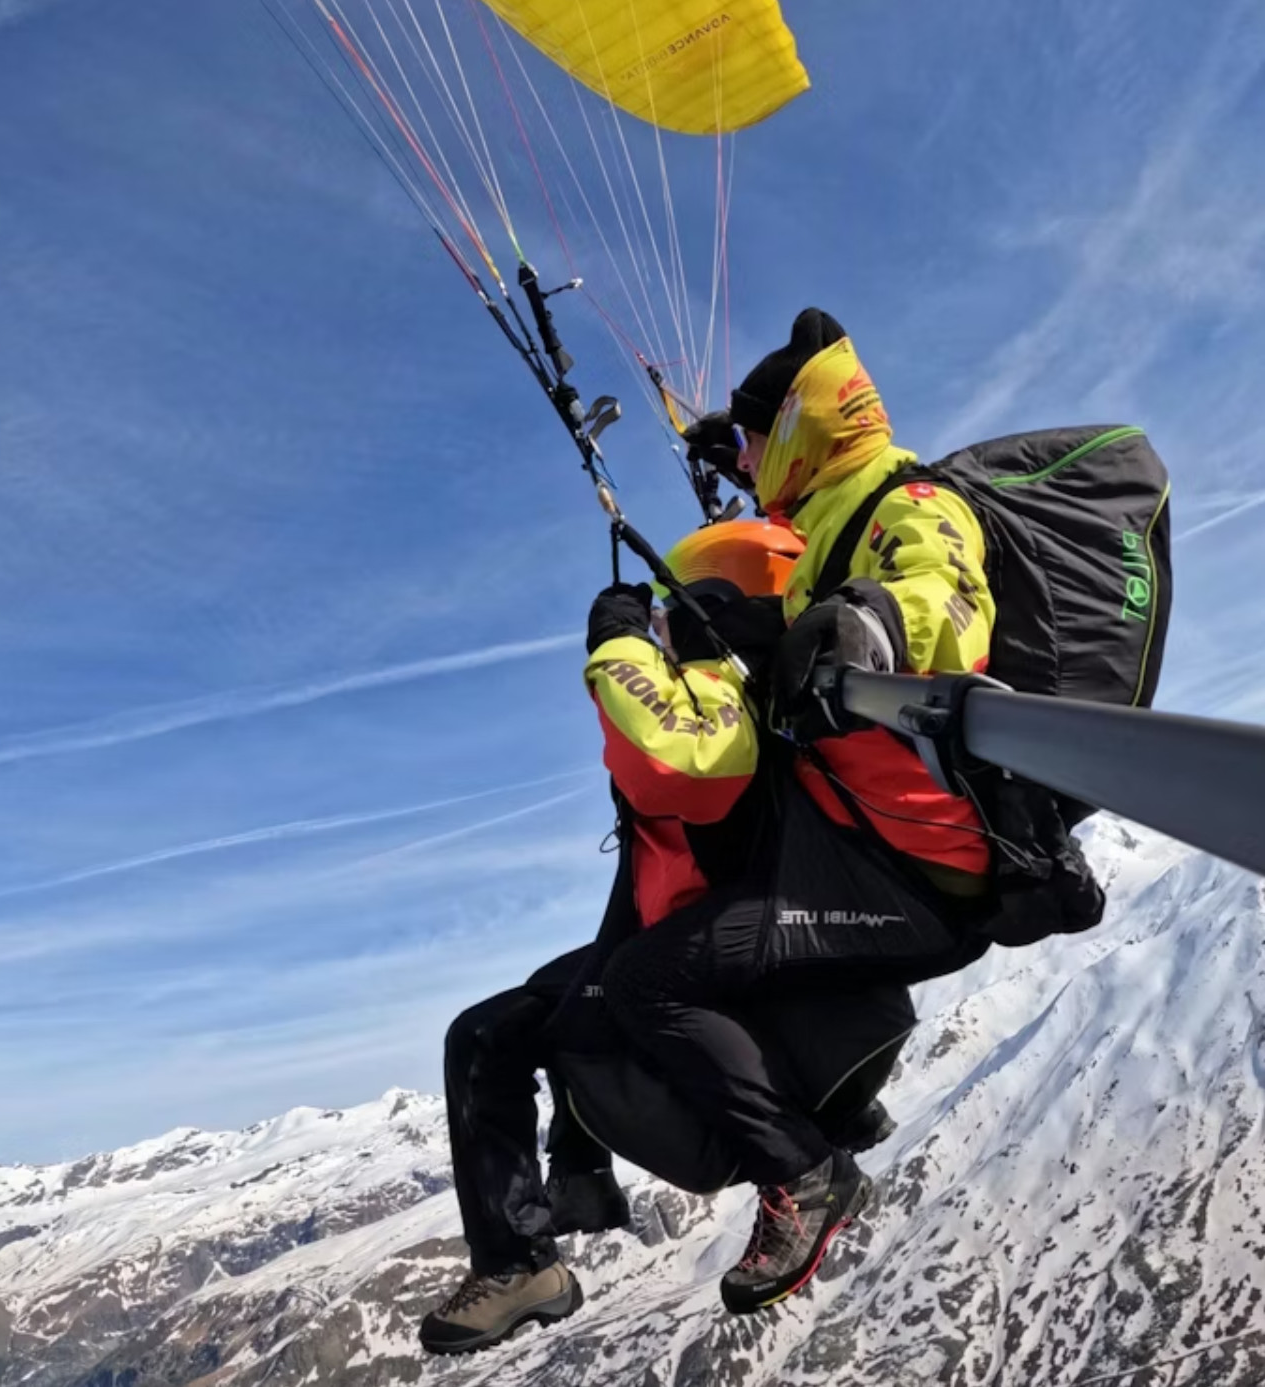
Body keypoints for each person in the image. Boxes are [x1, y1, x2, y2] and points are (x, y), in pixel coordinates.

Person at [418, 522, 916, 1355]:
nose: (656, 635)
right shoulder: (723, 683)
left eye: (666, 620)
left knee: (598, 998)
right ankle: (520, 1258)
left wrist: (616, 644)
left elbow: (688, 768)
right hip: (699, 933)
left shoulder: (732, 685)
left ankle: (796, 1164)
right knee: (487, 1031)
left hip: (736, 948)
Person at [595, 310, 1000, 1316]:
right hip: (864, 842)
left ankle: (808, 1169)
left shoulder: (910, 500)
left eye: (752, 438)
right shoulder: (828, 508)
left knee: (653, 978)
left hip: (913, 860)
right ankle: (833, 1115)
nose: (745, 461)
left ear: (800, 430)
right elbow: (798, 582)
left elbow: (949, 596)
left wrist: (863, 622)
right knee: (677, 945)